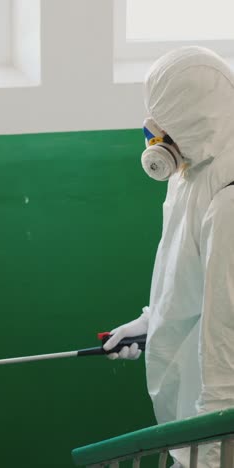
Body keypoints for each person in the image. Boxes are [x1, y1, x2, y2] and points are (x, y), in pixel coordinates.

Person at [103, 46, 234, 467]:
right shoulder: (190, 170)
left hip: (213, 432)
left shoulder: (228, 198)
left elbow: (226, 338)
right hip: (191, 424)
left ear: (197, 117)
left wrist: (210, 454)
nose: (158, 136)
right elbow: (185, 273)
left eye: (169, 122)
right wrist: (152, 320)